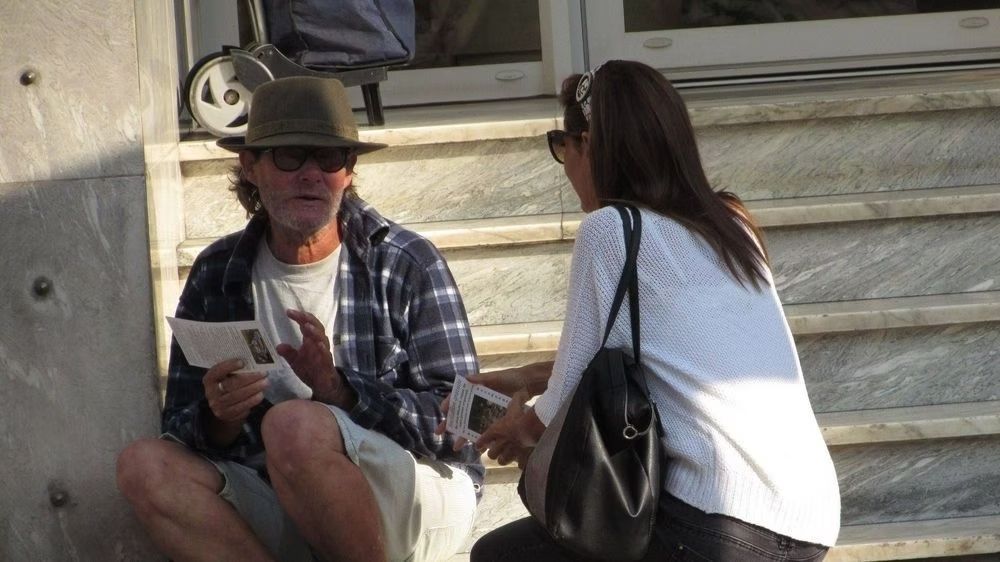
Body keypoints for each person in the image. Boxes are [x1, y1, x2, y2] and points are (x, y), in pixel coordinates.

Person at [455, 60, 841, 561]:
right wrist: (527, 377)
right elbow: (674, 355)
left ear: (588, 144)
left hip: (717, 522)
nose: (565, 164)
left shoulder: (612, 229)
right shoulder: (729, 224)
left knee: (501, 555)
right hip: (808, 518)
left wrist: (517, 428)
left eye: (561, 145)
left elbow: (568, 391)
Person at [116, 76, 482, 562]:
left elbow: (475, 419)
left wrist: (340, 392)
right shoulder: (216, 272)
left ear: (349, 171)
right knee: (144, 465)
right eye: (291, 156)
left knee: (294, 425)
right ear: (250, 166)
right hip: (285, 497)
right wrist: (220, 418)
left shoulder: (406, 260)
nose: (311, 174)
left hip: (416, 491)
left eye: (329, 158)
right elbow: (180, 429)